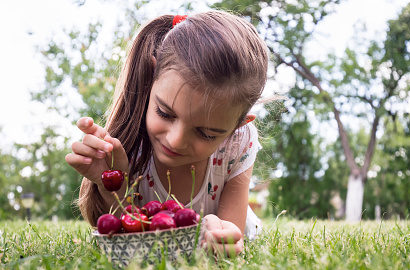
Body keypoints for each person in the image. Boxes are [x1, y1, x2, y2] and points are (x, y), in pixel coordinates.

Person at [65, 11, 269, 256]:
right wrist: (114, 185)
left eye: (205, 133)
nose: (175, 140)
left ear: (237, 127)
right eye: (165, 113)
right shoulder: (130, 146)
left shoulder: (238, 141)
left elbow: (231, 235)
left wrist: (222, 238)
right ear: (152, 78)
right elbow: (122, 235)